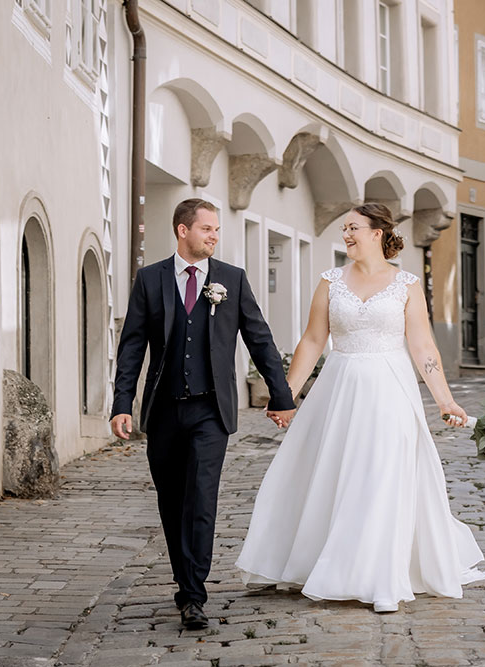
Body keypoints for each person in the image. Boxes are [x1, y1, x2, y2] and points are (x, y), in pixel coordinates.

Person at [236, 203, 485, 613]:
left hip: (390, 389)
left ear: (378, 233)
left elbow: (423, 346)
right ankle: (332, 562)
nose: (346, 235)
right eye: (344, 229)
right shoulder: (330, 281)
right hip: (340, 387)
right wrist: (287, 395)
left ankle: (381, 576)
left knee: (383, 475)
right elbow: (313, 340)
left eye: (353, 228)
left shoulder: (406, 284)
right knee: (336, 472)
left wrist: (445, 399)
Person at [110, 198, 296, 630]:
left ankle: (194, 594)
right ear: (182, 230)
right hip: (163, 412)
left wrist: (281, 394)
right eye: (207, 229)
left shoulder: (231, 279)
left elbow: (259, 339)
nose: (214, 236)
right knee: (171, 501)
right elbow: (132, 347)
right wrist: (122, 405)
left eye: (217, 231)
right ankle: (183, 579)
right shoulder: (150, 279)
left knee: (201, 500)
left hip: (211, 411)